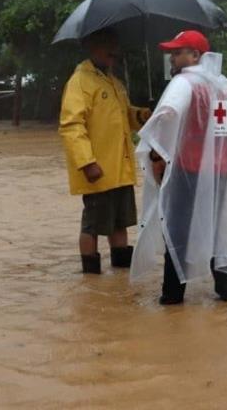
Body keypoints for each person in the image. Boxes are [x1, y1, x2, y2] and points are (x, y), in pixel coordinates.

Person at [129, 30, 227, 304]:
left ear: (195, 55)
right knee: (215, 227)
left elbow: (167, 114)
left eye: (177, 53)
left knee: (177, 229)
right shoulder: (224, 84)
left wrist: (156, 154)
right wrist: (225, 149)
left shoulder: (184, 82)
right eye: (172, 53)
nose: (172, 58)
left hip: (188, 170)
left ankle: (172, 295)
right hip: (220, 170)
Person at [58, 28, 151, 274]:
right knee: (92, 225)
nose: (113, 51)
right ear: (92, 47)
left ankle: (121, 275)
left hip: (121, 169)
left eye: (115, 45)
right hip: (98, 169)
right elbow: (71, 126)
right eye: (108, 45)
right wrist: (87, 162)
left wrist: (143, 115)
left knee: (120, 222)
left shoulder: (114, 82)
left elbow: (125, 116)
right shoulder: (80, 81)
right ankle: (90, 277)